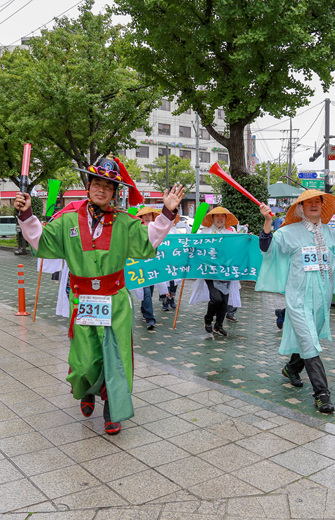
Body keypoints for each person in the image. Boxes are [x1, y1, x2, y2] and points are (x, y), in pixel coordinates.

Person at [14, 155, 184, 435]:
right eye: (97, 184)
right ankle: (87, 390)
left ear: (114, 192)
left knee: (115, 358)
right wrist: (26, 214)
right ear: (88, 186)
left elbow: (148, 241)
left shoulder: (125, 223)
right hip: (82, 300)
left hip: (115, 301)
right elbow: (41, 241)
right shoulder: (67, 220)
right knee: (84, 359)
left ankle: (112, 409)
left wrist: (167, 212)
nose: (101, 190)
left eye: (108, 186)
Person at [256, 190, 335, 414]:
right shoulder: (289, 232)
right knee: (310, 342)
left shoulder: (330, 234)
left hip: (322, 301)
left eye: (317, 202)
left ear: (322, 206)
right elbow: (267, 248)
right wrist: (267, 221)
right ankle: (322, 394)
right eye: (308, 202)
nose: (313, 205)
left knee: (307, 339)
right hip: (298, 300)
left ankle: (291, 368)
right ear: (300, 208)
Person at [188, 207, 242, 337]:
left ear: (226, 218)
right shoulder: (205, 233)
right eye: (217, 216)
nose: (219, 218)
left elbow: (239, 246)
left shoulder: (230, 234)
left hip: (226, 272)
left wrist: (247, 239)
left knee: (224, 301)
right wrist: (191, 240)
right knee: (216, 298)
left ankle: (219, 326)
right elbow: (195, 247)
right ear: (212, 218)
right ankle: (208, 320)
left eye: (222, 216)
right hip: (210, 272)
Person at [133, 206, 162, 331]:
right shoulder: (137, 229)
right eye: (144, 215)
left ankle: (144, 309)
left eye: (149, 215)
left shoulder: (157, 229)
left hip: (152, 265)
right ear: (140, 217)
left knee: (150, 290)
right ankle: (150, 318)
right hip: (140, 265)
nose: (147, 217)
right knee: (146, 292)